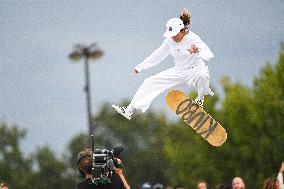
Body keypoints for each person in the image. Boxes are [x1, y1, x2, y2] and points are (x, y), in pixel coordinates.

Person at [112, 9, 215, 120]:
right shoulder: (169, 41)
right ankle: (129, 110)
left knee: (202, 74)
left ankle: (199, 100)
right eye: (171, 35)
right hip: (179, 71)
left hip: (195, 69)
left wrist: (199, 52)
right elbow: (157, 55)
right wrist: (141, 66)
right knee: (149, 82)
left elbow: (209, 55)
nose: (173, 38)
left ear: (182, 31)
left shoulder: (193, 39)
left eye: (175, 35)